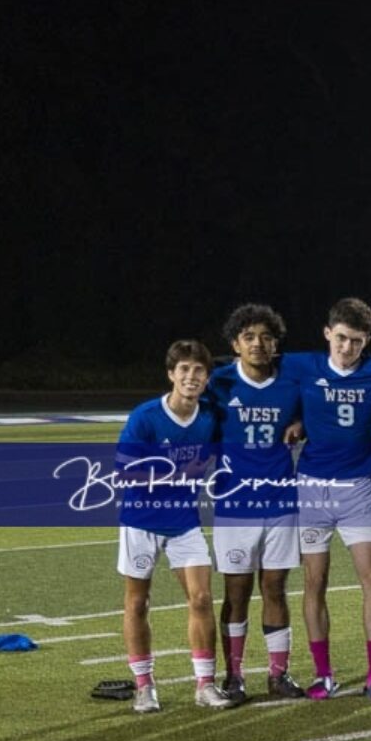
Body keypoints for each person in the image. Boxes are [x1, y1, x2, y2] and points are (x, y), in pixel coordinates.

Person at [280, 298, 371, 701]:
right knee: (315, 582)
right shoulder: (304, 366)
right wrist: (295, 420)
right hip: (312, 488)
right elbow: (253, 376)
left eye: (356, 342)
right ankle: (323, 674)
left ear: (367, 342)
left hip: (358, 490)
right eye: (342, 339)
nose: (347, 349)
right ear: (327, 333)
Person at [115, 340, 232, 713]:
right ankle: (144, 686)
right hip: (140, 521)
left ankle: (205, 684)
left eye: (198, 370)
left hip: (184, 521)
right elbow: (125, 471)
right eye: (184, 369)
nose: (191, 376)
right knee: (137, 602)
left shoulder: (210, 416)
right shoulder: (146, 416)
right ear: (171, 374)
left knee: (200, 598)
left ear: (206, 377)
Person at [207, 304, 304, 702]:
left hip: (280, 502)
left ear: (276, 343)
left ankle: (278, 675)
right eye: (249, 337)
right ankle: (234, 675)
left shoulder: (291, 384)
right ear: (235, 345)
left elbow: (317, 414)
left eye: (266, 337)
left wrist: (303, 424)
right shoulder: (219, 385)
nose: (258, 344)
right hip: (234, 507)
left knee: (275, 589)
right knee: (236, 593)